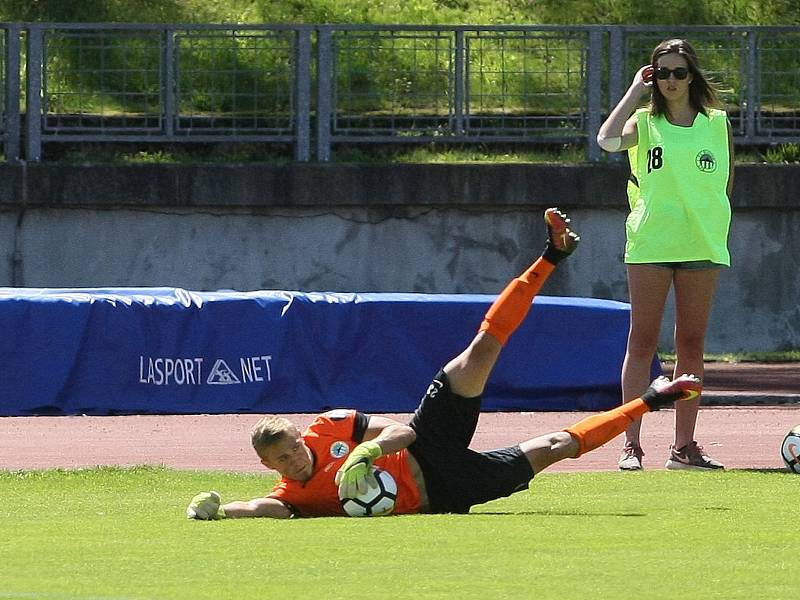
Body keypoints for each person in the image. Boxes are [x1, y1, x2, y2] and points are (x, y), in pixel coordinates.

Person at [186, 208, 702, 520]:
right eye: (282, 461)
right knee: (557, 447)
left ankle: (551, 257)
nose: (295, 461)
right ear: (269, 467)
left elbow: (403, 433)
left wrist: (364, 455)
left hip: (427, 442)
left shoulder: (330, 427)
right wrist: (220, 510)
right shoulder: (292, 494)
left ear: (301, 437)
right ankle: (652, 399)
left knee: (482, 349)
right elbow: (266, 508)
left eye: (293, 450)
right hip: (448, 491)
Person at [596, 39, 733, 471]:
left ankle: (683, 448)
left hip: (701, 243)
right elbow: (606, 141)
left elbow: (725, 183)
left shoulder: (717, 123)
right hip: (652, 242)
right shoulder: (644, 121)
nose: (670, 80)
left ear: (692, 75)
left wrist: (714, 226)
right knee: (643, 340)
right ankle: (631, 445)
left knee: (691, 345)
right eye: (662, 73)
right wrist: (635, 89)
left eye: (678, 72)